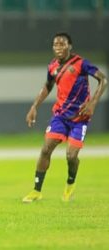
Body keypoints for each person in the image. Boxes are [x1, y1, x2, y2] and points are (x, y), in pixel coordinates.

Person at [22, 32, 107, 203]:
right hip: (60, 116)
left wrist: (93, 103)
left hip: (80, 117)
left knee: (71, 156)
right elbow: (47, 87)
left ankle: (70, 185)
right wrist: (34, 106)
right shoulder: (52, 66)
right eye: (56, 44)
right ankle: (36, 191)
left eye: (62, 44)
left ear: (70, 46)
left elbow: (103, 80)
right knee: (45, 150)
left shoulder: (81, 63)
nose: (58, 47)